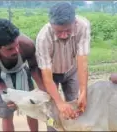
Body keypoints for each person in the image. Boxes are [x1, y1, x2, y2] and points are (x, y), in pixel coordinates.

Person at [0, 18, 45, 131]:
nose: (16, 50)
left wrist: (42, 88)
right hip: (2, 77)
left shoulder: (27, 45)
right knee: (6, 114)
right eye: (10, 49)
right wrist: (7, 96)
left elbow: (34, 68)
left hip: (23, 73)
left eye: (16, 45)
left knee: (31, 110)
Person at [35, 2, 91, 131]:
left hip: (72, 69)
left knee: (75, 103)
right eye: (59, 31)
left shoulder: (83, 26)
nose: (64, 35)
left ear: (74, 22)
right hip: (51, 74)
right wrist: (60, 103)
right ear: (51, 25)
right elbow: (47, 77)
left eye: (68, 30)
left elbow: (82, 61)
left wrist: (83, 91)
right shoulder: (43, 38)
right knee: (52, 109)